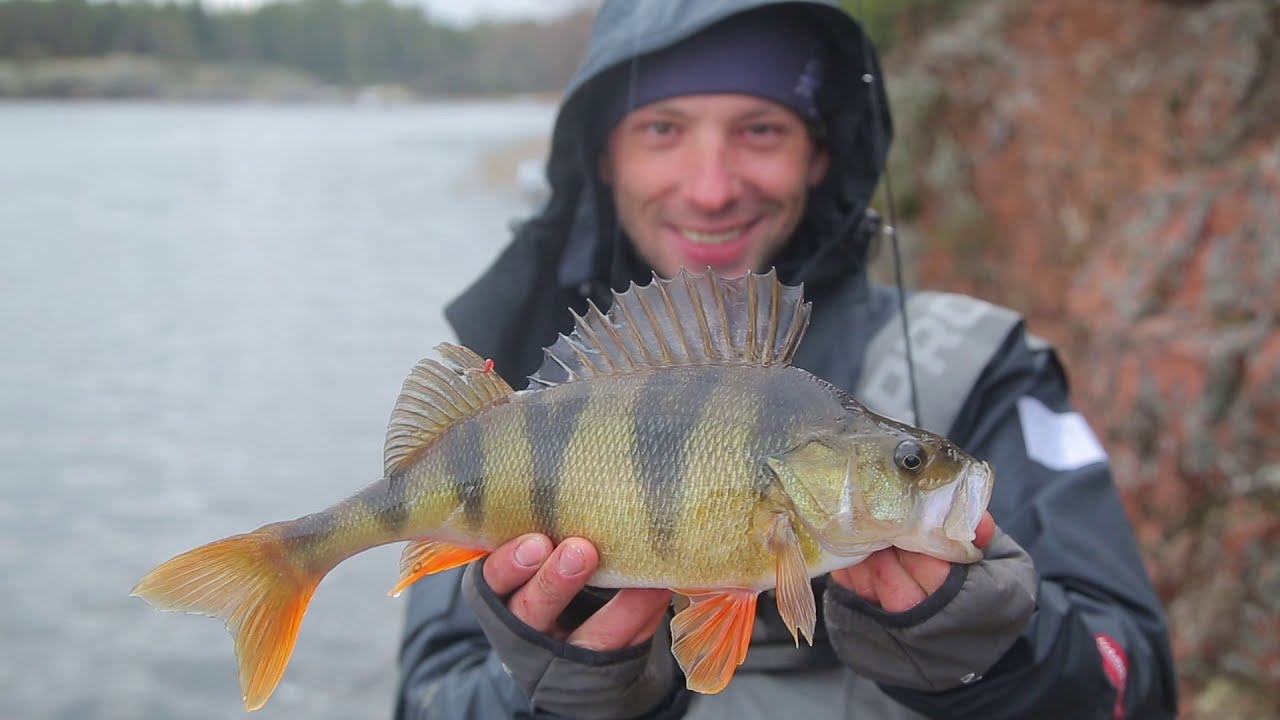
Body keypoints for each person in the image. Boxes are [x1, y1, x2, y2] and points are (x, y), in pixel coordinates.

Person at [394, 1, 1178, 718]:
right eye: (662, 129)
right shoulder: (526, 395)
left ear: (820, 154)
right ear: (604, 159)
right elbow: (429, 699)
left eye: (760, 129)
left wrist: (1003, 650)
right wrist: (550, 687)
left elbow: (1134, 683)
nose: (710, 189)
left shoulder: (977, 371)